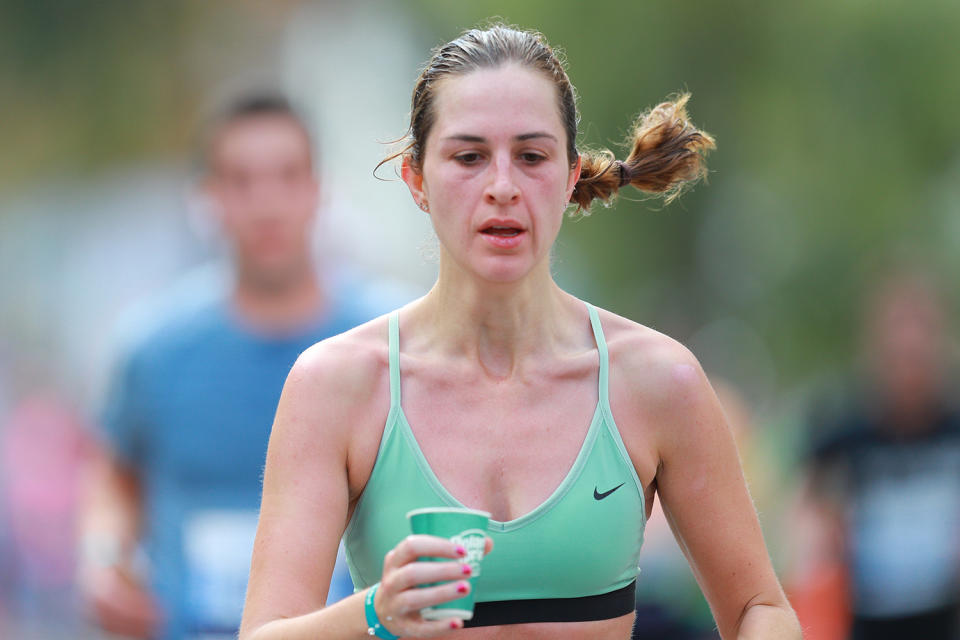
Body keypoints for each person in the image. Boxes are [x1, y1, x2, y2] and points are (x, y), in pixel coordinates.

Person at [239, 24, 801, 640]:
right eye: (469, 156)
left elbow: (760, 609)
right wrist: (373, 615)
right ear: (417, 180)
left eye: (531, 156)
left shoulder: (656, 380)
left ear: (569, 178)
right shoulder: (339, 386)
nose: (502, 186)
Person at [77, 92, 409, 639]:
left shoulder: (392, 343)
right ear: (206, 197)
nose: (266, 203)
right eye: (241, 180)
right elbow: (115, 471)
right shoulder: (154, 347)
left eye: (286, 176)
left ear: (319, 189)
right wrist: (103, 558)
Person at [796, 267, 960, 639]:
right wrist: (824, 534)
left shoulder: (953, 428)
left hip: (946, 618)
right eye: (899, 352)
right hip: (870, 620)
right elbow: (806, 493)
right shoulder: (849, 429)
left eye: (918, 352)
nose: (908, 363)